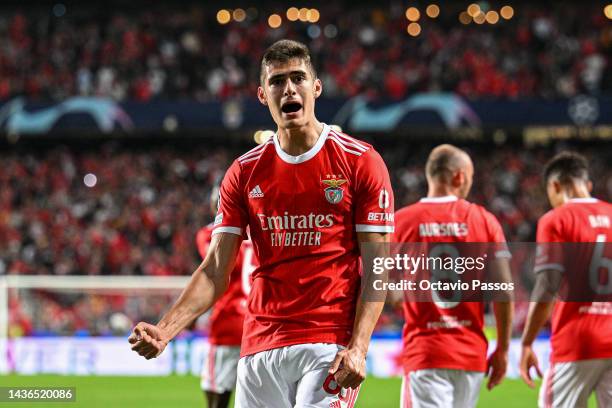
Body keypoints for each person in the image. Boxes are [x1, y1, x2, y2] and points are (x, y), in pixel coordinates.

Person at [128, 39, 395, 408]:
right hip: (259, 347)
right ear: (262, 94)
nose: (288, 88)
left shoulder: (359, 161)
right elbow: (215, 269)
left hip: (328, 343)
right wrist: (165, 330)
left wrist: (359, 347)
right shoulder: (244, 170)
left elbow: (379, 265)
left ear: (316, 88)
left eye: (298, 78)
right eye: (277, 81)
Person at [393, 144, 513, 408]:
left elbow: (382, 288)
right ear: (459, 176)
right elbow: (504, 291)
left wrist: (405, 298)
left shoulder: (401, 222)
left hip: (426, 352)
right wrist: (503, 350)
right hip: (470, 357)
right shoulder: (485, 220)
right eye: (470, 177)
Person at [519, 151, 612, 408]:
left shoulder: (556, 219)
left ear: (555, 185)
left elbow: (548, 285)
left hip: (577, 342)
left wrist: (527, 342)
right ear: (588, 185)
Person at [196, 184, 256, 408]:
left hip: (228, 320)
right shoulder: (262, 230)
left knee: (215, 393)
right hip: (259, 323)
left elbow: (214, 266)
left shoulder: (209, 233)